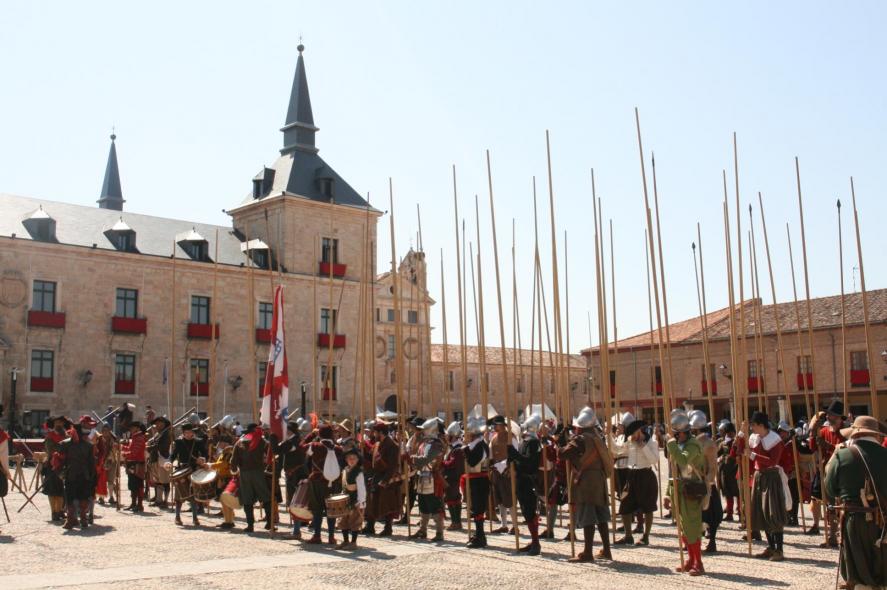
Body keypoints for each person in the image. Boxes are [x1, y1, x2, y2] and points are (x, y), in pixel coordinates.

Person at [824, 415, 887, 590]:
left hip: (854, 520)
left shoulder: (842, 455)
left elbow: (830, 490)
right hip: (884, 521)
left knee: (859, 573)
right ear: (876, 435)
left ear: (855, 434)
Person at [562, 407, 614, 563]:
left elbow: (563, 454)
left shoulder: (580, 439)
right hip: (599, 479)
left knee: (588, 516)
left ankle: (587, 553)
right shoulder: (598, 438)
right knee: (601, 516)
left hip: (586, 480)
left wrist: (562, 443)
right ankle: (607, 550)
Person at [666, 409, 707, 576]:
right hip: (680, 488)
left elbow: (683, 460)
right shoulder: (680, 445)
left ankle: (698, 562)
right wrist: (667, 493)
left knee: (692, 526)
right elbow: (674, 470)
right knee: (684, 527)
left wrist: (671, 445)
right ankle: (690, 559)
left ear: (682, 433)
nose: (675, 437)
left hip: (692, 489)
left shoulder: (693, 445)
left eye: (676, 434)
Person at [743, 411, 788, 561]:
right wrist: (741, 434)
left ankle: (779, 550)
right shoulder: (754, 438)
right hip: (759, 476)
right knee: (761, 512)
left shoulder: (775, 440)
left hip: (771, 477)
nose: (752, 428)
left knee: (773, 512)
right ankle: (771, 547)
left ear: (761, 425)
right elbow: (739, 450)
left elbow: (773, 461)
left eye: (753, 425)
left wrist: (753, 455)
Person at [614, 418, 659, 547]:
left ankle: (646, 536)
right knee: (625, 506)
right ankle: (628, 536)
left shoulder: (652, 442)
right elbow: (617, 451)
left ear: (639, 431)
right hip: (631, 475)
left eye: (633, 434)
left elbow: (654, 460)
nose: (632, 437)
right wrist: (609, 438)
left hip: (646, 475)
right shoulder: (630, 442)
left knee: (648, 507)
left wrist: (643, 446)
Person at [808, 399, 847, 548]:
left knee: (842, 505)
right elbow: (813, 448)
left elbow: (846, 450)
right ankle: (832, 536)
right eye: (829, 415)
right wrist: (814, 432)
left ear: (839, 418)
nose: (829, 417)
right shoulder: (824, 431)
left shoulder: (847, 432)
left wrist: (829, 446)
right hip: (827, 471)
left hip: (842, 472)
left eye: (832, 415)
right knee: (830, 505)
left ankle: (843, 535)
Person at [508, 414, 543, 555]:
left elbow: (529, 463)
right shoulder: (524, 441)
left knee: (530, 511)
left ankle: (536, 543)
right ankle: (534, 541)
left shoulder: (533, 442)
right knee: (525, 511)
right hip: (521, 480)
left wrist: (515, 454)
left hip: (529, 480)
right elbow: (520, 461)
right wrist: (512, 459)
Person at [303, 424, 344, 544]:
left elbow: (300, 447)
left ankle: (317, 535)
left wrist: (312, 435)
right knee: (331, 509)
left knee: (317, 510)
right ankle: (331, 537)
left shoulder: (314, 446)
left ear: (319, 434)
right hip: (334, 483)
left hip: (317, 482)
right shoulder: (338, 449)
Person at [689, 410, 722, 554]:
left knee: (711, 515)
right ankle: (694, 542)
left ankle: (712, 542)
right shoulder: (692, 442)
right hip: (694, 481)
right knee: (695, 515)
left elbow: (713, 466)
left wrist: (707, 482)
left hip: (705, 484)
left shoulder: (709, 444)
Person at [409, 418, 446, 541]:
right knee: (423, 505)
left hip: (432, 477)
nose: (422, 431)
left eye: (424, 429)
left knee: (434, 506)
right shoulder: (424, 443)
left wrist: (412, 458)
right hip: (421, 476)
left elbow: (426, 459)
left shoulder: (436, 444)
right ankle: (422, 530)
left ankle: (439, 532)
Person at [230, 423, 272, 533]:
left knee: (247, 499)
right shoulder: (263, 442)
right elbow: (270, 455)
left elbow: (233, 461)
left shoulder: (239, 442)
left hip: (245, 474)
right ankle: (269, 522)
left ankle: (250, 525)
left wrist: (235, 471)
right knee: (266, 498)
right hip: (259, 473)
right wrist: (268, 467)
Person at [166, 423, 208, 526]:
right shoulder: (179, 442)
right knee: (179, 495)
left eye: (190, 432)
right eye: (187, 432)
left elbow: (205, 453)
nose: (189, 434)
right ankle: (177, 517)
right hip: (182, 469)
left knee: (193, 495)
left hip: (194, 470)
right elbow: (173, 455)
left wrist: (202, 459)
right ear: (183, 433)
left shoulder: (198, 441)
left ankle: (195, 518)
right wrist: (169, 462)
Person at [58, 421, 97, 530]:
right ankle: (77, 519)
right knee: (77, 497)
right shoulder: (87, 445)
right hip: (77, 474)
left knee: (75, 497)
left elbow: (91, 463)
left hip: (76, 474)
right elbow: (61, 460)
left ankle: (78, 519)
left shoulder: (67, 444)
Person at [276, 419, 309, 537]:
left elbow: (278, 450)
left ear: (290, 431)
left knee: (296, 502)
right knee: (293, 502)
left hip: (297, 474)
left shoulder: (294, 442)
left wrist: (273, 438)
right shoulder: (292, 440)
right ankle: (296, 530)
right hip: (293, 474)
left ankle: (296, 531)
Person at [367, 421, 401, 537]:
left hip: (387, 477)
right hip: (377, 475)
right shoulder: (377, 444)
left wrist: (386, 480)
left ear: (380, 432)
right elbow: (372, 458)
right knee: (373, 502)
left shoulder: (392, 445)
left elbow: (393, 465)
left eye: (375, 432)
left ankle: (388, 528)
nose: (373, 434)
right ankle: (370, 526)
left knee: (387, 503)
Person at [464, 416, 490, 549]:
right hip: (475, 478)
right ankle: (479, 534)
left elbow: (473, 461)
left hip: (480, 479)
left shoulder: (480, 445)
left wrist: (466, 451)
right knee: (475, 508)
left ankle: (480, 536)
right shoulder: (477, 444)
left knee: (478, 508)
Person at [489, 415, 515, 533]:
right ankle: (503, 525)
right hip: (496, 471)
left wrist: (505, 466)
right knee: (499, 499)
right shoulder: (493, 438)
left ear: (502, 425)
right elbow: (491, 455)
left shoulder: (511, 437)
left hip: (507, 471)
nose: (494, 427)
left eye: (496, 424)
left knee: (509, 498)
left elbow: (515, 454)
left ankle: (514, 525)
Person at [336, 447, 366, 550]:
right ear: (346, 459)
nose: (352, 460)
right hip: (345, 499)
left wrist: (361, 501)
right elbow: (344, 486)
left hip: (355, 500)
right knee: (343, 521)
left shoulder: (359, 472)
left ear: (358, 460)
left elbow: (361, 488)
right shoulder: (345, 470)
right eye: (349, 458)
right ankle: (345, 541)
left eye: (354, 458)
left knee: (354, 521)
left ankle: (353, 543)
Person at [43, 416, 70, 522]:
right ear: (53, 424)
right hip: (52, 465)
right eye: (57, 422)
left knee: (61, 491)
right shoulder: (50, 436)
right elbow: (50, 450)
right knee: (52, 490)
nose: (59, 424)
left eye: (61, 423)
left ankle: (60, 511)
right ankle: (54, 512)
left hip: (64, 465)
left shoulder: (67, 436)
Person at [442, 421, 465, 530]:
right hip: (450, 477)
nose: (446, 437)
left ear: (453, 436)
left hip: (453, 477)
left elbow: (453, 463)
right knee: (451, 499)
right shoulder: (452, 448)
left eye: (448, 435)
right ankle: (455, 522)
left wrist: (442, 463)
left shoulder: (458, 449)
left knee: (453, 499)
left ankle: (456, 522)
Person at [777, 421, 801, 527]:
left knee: (794, 496)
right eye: (780, 432)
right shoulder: (778, 443)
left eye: (783, 432)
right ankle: (786, 516)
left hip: (792, 472)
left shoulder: (793, 444)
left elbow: (796, 457)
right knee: (784, 495)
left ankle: (793, 517)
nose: (782, 434)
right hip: (781, 472)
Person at [717, 421, 740, 523]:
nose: (730, 435)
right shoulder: (722, 443)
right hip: (725, 471)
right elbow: (717, 455)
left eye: (731, 432)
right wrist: (720, 458)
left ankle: (740, 513)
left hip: (735, 471)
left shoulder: (738, 442)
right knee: (727, 493)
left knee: (738, 493)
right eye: (728, 433)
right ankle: (729, 513)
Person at [147, 416, 172, 509]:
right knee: (158, 481)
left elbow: (162, 447)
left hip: (163, 460)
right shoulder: (159, 434)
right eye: (156, 423)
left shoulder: (166, 434)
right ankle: (159, 500)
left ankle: (165, 501)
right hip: (156, 459)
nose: (157, 425)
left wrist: (150, 447)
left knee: (165, 481)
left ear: (164, 424)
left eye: (159, 423)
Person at [122, 421, 147, 513]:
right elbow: (130, 449)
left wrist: (124, 453)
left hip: (137, 464)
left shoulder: (139, 438)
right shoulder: (135, 437)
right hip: (133, 464)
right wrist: (122, 447)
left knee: (138, 485)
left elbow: (134, 453)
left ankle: (139, 505)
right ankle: (133, 504)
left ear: (137, 428)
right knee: (132, 485)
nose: (131, 429)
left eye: (132, 427)